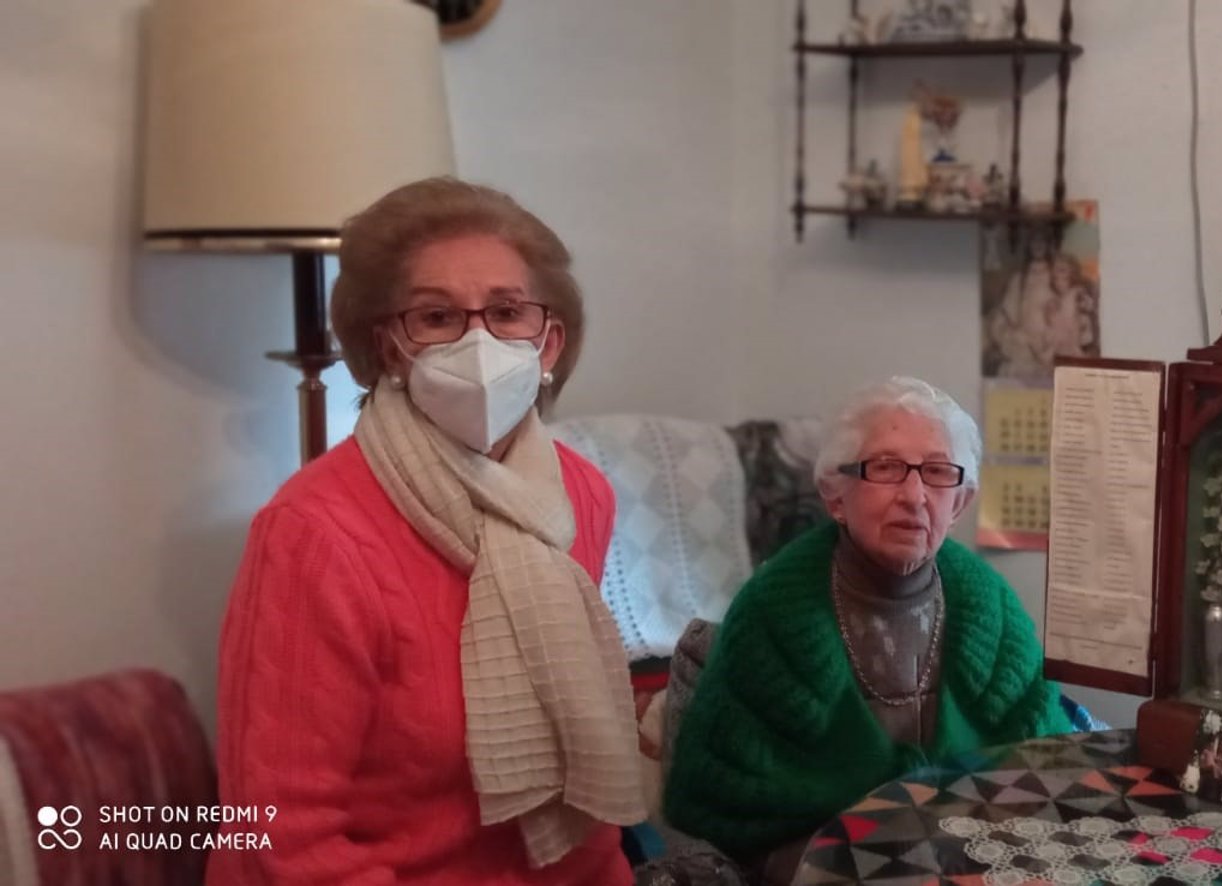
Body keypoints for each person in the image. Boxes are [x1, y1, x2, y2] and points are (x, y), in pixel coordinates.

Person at [211, 178, 645, 885]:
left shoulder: (580, 496)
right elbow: (284, 836)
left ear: (549, 343)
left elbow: (585, 791)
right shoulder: (314, 532)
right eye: (437, 317)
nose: (478, 340)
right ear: (388, 348)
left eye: (507, 312)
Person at [662, 376, 1072, 876]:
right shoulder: (771, 612)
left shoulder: (993, 606)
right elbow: (721, 791)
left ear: (960, 504)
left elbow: (1043, 759)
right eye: (887, 468)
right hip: (812, 851)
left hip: (967, 851)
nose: (915, 495)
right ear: (836, 495)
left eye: (939, 472)